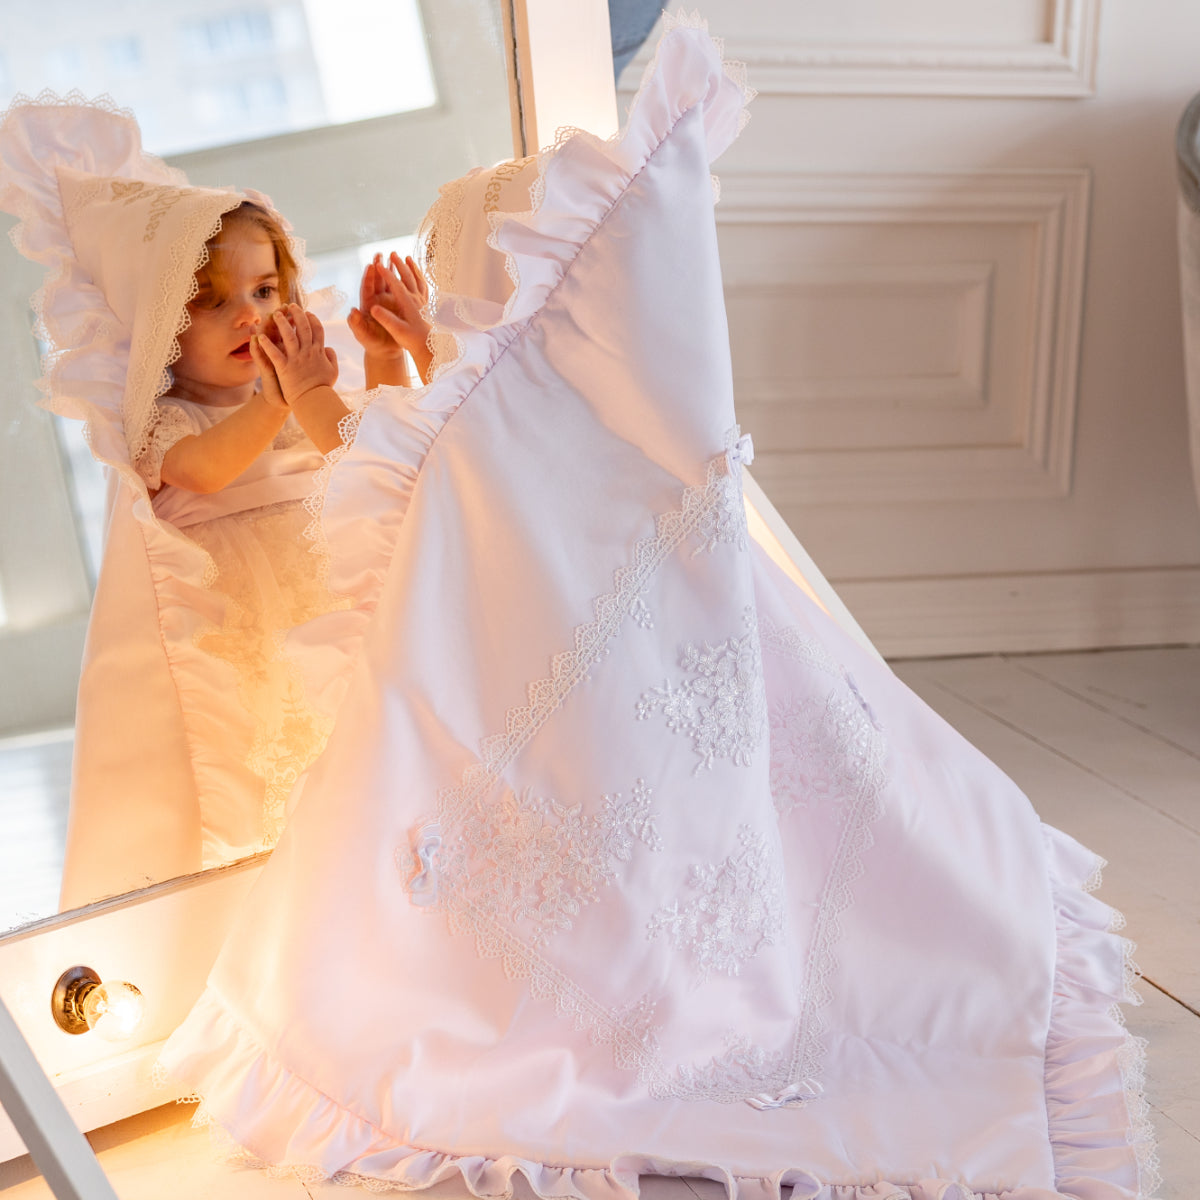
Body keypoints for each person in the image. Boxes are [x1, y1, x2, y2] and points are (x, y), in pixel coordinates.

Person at [152, 16, 1155, 1200]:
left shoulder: (514, 463)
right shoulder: (592, 444)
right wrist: (400, 374)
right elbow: (431, 507)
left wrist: (342, 391)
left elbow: (413, 509)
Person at [0, 103, 430, 904]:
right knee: (269, 772)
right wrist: (276, 401)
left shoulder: (301, 401)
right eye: (210, 300)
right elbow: (199, 474)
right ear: (158, 322)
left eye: (266, 288)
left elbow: (366, 460)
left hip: (327, 601)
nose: (250, 314)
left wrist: (377, 363)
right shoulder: (171, 423)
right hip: (244, 623)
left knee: (362, 750)